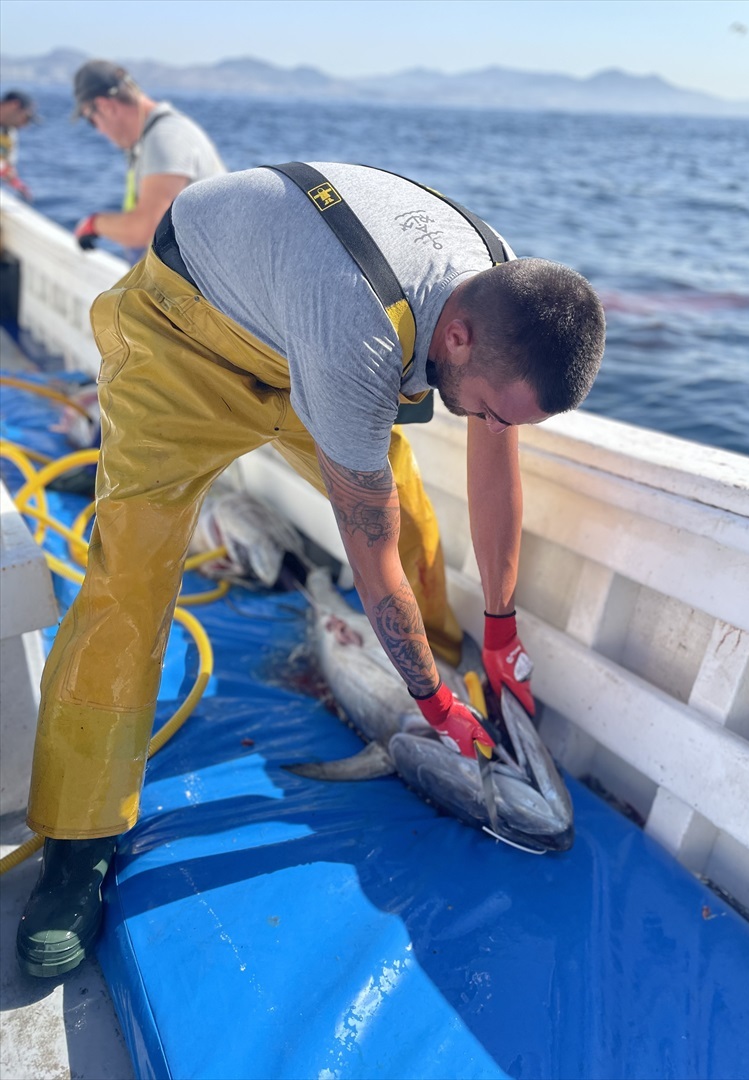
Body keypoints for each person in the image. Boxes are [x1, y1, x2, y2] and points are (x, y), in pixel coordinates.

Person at [16, 162, 605, 978]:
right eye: (490, 405)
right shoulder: (357, 334)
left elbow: (494, 458)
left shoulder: (498, 286)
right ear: (459, 339)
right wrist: (432, 695)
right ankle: (79, 844)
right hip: (182, 337)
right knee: (132, 582)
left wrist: (500, 630)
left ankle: (417, 697)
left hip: (297, 332)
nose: (487, 422)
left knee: (412, 518)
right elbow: (368, 551)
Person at [70, 59, 225, 257]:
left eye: (91, 120)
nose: (98, 130)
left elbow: (145, 229)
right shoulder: (149, 138)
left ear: (105, 106)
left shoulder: (166, 137)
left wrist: (93, 224)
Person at [0, 90, 39, 201]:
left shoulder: (10, 134)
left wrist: (18, 185)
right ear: (14, 105)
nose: (25, 125)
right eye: (26, 118)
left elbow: (8, 169)